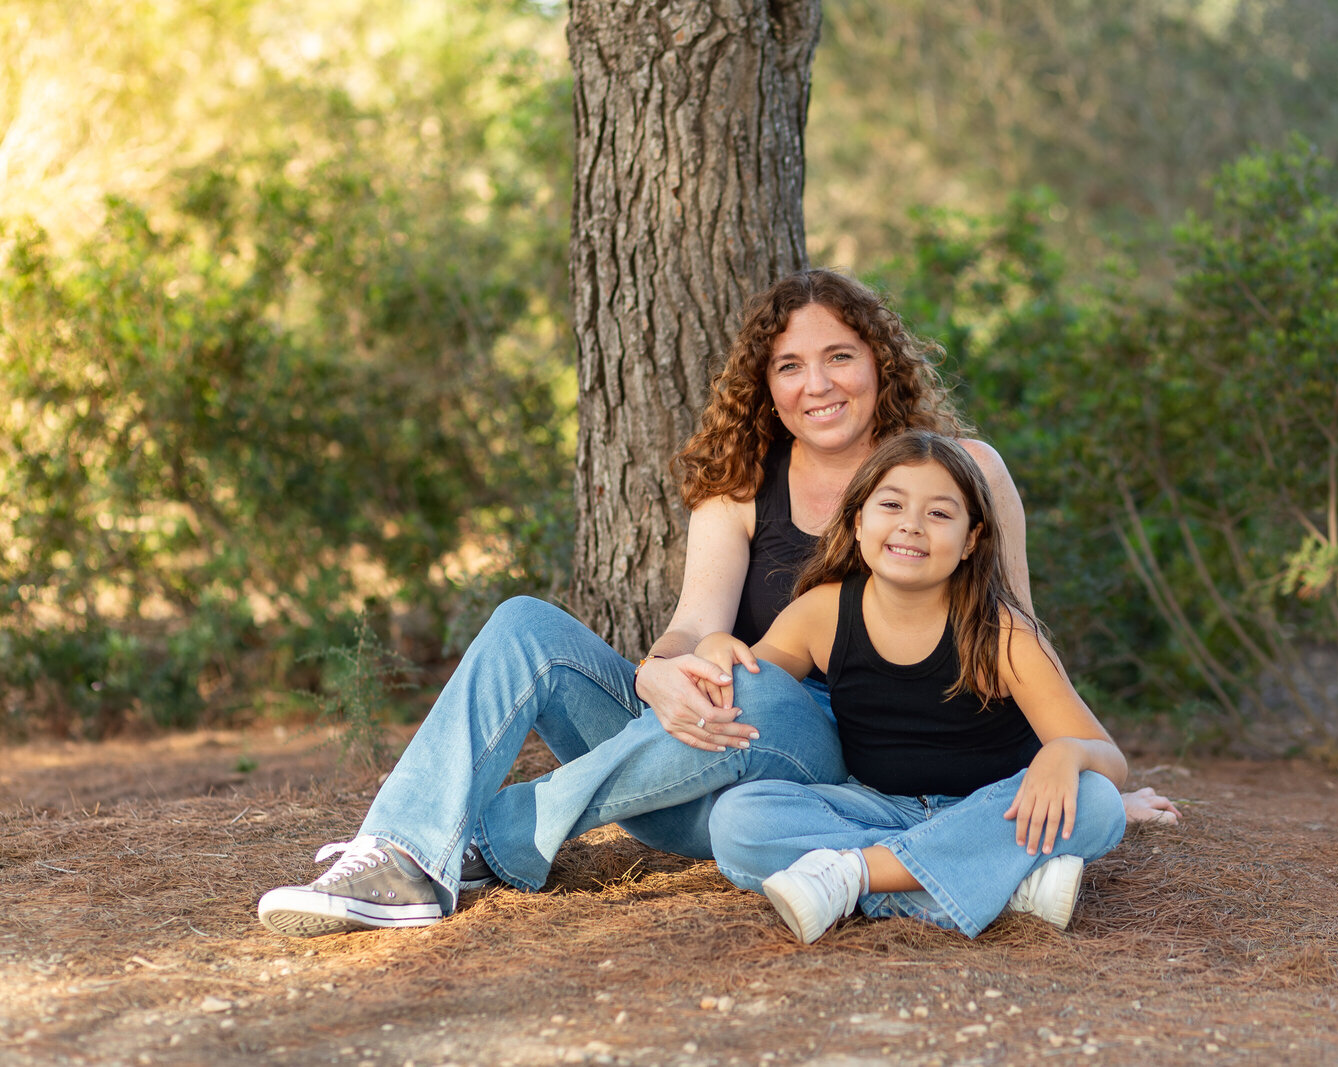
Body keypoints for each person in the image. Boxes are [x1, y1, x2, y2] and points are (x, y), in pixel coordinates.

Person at [256, 270, 1175, 938]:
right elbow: (699, 623)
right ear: (766, 387)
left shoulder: (960, 474)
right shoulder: (741, 481)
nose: (817, 384)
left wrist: (1076, 768)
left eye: (839, 357)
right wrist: (663, 672)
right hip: (693, 754)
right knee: (527, 627)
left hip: (822, 765)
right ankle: (404, 849)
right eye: (789, 367)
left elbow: (1016, 636)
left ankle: (467, 836)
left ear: (880, 363)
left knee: (761, 690)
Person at [699, 431, 1127, 942]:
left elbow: (1111, 763)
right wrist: (714, 648)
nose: (911, 525)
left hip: (995, 809)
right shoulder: (823, 611)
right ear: (858, 522)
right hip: (878, 808)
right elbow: (755, 689)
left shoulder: (1003, 635)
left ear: (971, 540)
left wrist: (1067, 756)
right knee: (737, 822)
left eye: (940, 514)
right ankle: (999, 887)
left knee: (1098, 802)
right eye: (892, 504)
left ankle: (854, 873)